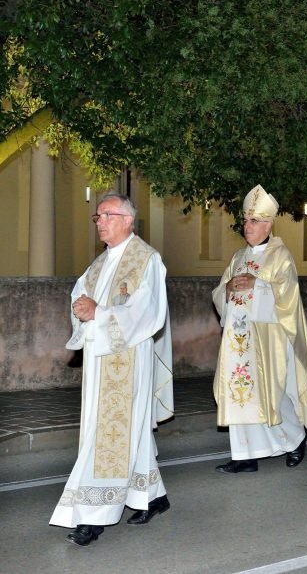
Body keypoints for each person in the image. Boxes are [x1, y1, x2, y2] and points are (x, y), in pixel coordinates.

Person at [50, 193, 173, 546]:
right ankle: (152, 495)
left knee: (109, 434)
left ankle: (94, 515)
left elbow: (148, 312)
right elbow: (81, 295)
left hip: (128, 359)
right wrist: (82, 308)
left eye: (107, 214)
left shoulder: (145, 259)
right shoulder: (100, 263)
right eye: (98, 216)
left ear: (127, 220)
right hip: (100, 358)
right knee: (125, 429)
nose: (100, 221)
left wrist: (99, 314)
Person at [211, 186, 307, 474]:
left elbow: (288, 296)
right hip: (238, 340)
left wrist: (257, 285)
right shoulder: (237, 257)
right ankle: (245, 455)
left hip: (269, 338)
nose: (247, 227)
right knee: (240, 392)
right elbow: (219, 292)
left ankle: (295, 439)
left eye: (254, 221)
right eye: (246, 221)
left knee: (275, 394)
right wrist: (228, 288)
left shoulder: (280, 255)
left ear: (269, 224)